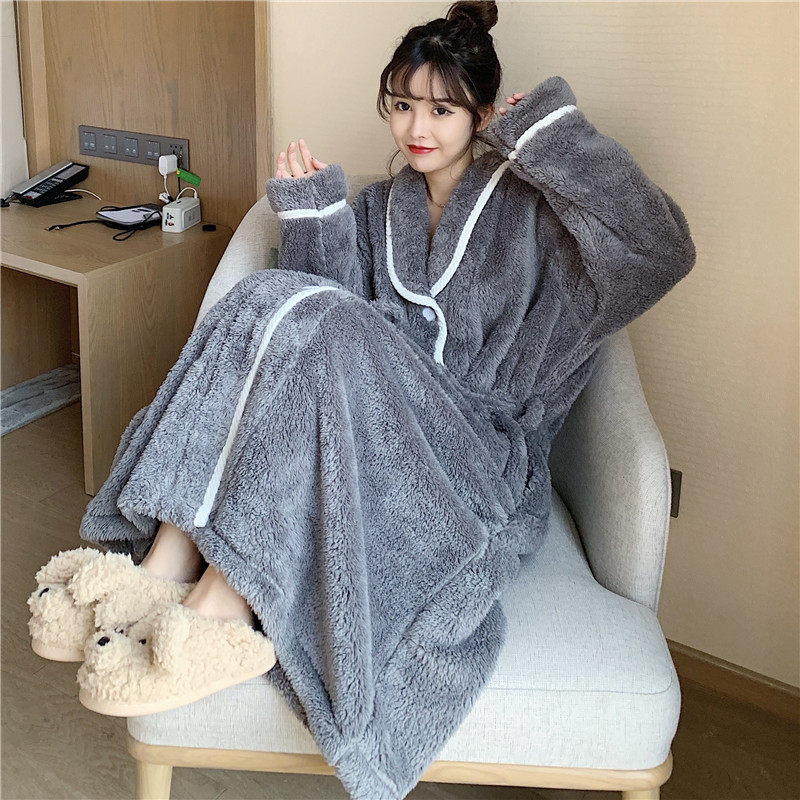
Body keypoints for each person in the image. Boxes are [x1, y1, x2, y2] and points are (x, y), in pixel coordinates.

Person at [34, 2, 696, 798]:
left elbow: (661, 250)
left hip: (476, 459)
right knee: (264, 298)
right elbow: (313, 345)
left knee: (319, 318)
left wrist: (552, 137)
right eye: (404, 104)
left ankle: (224, 602)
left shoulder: (537, 219)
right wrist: (314, 220)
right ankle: (166, 562)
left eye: (442, 109)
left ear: (485, 116)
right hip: (377, 437)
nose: (417, 127)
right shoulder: (380, 211)